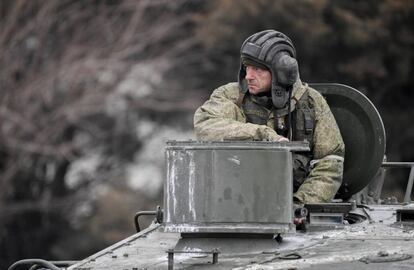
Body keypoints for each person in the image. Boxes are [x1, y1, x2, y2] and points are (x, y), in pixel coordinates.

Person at [193, 30, 345, 205]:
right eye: (247, 67)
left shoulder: (311, 103)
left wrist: (301, 205)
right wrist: (263, 135)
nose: (249, 76)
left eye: (257, 69)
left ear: (282, 72)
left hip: (297, 205)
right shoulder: (231, 96)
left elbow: (330, 162)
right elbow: (206, 125)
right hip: (235, 201)